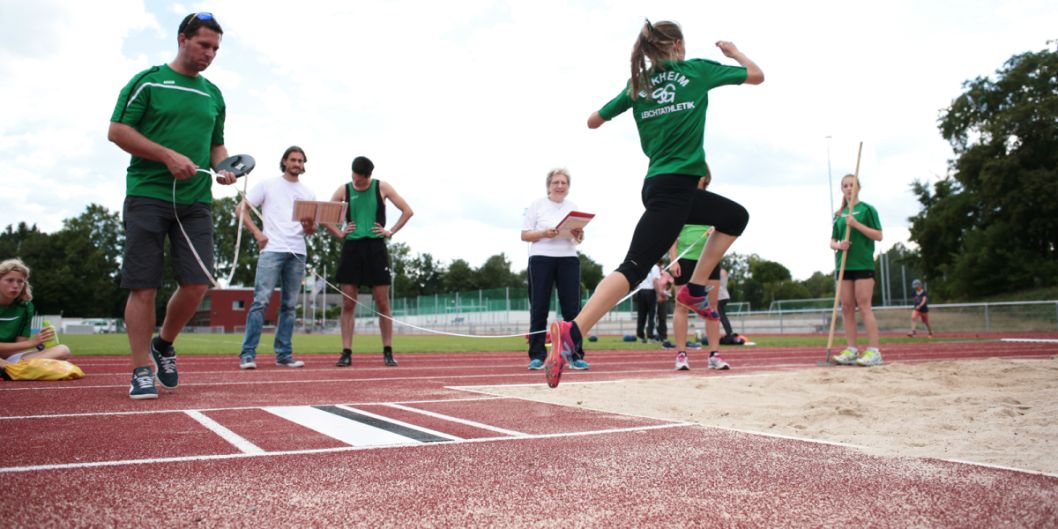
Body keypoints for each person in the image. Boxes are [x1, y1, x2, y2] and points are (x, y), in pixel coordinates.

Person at [546, 20, 762, 387]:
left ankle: (694, 290)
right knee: (634, 266)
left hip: (660, 185)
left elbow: (593, 121)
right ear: (677, 45)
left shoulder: (638, 84)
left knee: (734, 216)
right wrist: (733, 52)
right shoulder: (696, 70)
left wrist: (641, 101)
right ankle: (574, 332)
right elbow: (756, 75)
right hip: (676, 189)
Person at [108, 12, 238, 400]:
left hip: (196, 199)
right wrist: (166, 155)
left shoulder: (214, 95)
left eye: (215, 48)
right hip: (148, 193)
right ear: (183, 39)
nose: (210, 54)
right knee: (143, 285)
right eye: (203, 45)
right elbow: (117, 131)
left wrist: (224, 168)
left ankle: (163, 343)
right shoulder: (147, 81)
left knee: (198, 282)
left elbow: (216, 146)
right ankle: (140, 369)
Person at [326, 156, 413, 367]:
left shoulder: (381, 187)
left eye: (360, 180)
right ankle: (346, 352)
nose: (357, 183)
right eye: (354, 178)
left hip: (375, 247)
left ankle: (388, 351)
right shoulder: (343, 190)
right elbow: (325, 215)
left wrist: (390, 231)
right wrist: (339, 233)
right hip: (352, 248)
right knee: (348, 303)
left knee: (383, 302)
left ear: (369, 176)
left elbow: (407, 211)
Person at [238, 146, 317, 370]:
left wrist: (310, 226)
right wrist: (257, 233)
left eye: (301, 161)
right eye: (293, 160)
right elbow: (240, 209)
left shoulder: (308, 193)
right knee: (260, 301)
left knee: (290, 306)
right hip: (271, 249)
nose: (297, 164)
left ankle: (284, 354)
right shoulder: (267, 184)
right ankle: (247, 354)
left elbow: (311, 231)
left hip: (297, 251)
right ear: (284, 162)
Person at [521, 168, 588, 371]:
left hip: (568, 259)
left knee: (572, 310)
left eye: (563, 183)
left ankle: (575, 355)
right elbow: (524, 235)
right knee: (539, 308)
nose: (560, 186)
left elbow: (578, 239)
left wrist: (578, 234)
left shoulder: (573, 207)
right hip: (541, 259)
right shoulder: (537, 205)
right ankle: (537, 356)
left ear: (568, 187)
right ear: (548, 185)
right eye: (556, 182)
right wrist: (544, 232)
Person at [667, 176, 730, 370]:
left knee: (712, 307)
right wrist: (673, 258)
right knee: (682, 307)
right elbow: (671, 231)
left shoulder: (713, 201)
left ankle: (714, 355)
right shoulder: (682, 199)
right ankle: (681, 355)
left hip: (710, 258)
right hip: (686, 258)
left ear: (707, 177)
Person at [830, 173, 884, 366]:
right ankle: (852, 349)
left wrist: (856, 224)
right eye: (845, 185)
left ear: (858, 187)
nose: (849, 188)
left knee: (864, 305)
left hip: (863, 264)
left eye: (852, 185)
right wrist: (839, 246)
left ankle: (874, 351)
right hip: (844, 265)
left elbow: (878, 236)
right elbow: (832, 241)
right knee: (846, 308)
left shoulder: (867, 210)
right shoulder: (839, 215)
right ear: (842, 189)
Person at [0, 259, 72, 371]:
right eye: (9, 280)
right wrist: (32, 343)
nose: (15, 285)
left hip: (10, 357)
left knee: (63, 350)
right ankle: (13, 369)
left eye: (20, 281)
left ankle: (10, 369)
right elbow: (26, 344)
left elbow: (20, 345)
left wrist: (40, 344)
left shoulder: (26, 306)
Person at [635, 263, 661, 343]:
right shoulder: (655, 267)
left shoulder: (641, 265)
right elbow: (654, 281)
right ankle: (650, 336)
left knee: (641, 315)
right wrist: (659, 293)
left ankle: (640, 336)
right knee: (652, 316)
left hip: (641, 291)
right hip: (650, 291)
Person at [653, 260, 674, 343]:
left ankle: (663, 336)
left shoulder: (666, 274)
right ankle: (653, 336)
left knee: (662, 318)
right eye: (658, 265)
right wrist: (658, 295)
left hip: (663, 298)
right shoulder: (652, 274)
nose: (660, 267)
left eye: (661, 265)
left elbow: (673, 282)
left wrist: (668, 291)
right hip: (653, 298)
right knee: (653, 318)